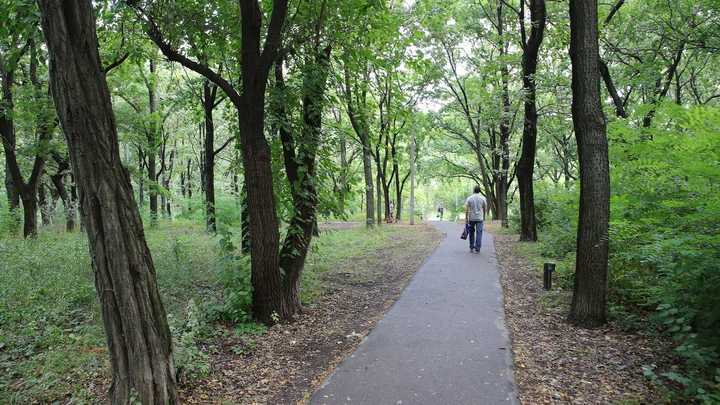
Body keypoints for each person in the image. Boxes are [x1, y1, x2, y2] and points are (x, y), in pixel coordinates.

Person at [465, 185, 487, 253]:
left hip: (471, 218)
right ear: (479, 190)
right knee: (479, 233)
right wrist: (484, 216)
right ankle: (477, 249)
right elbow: (485, 208)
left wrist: (466, 218)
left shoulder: (469, 198)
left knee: (471, 232)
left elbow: (466, 209)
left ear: (473, 190)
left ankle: (471, 247)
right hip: (480, 218)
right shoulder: (483, 198)